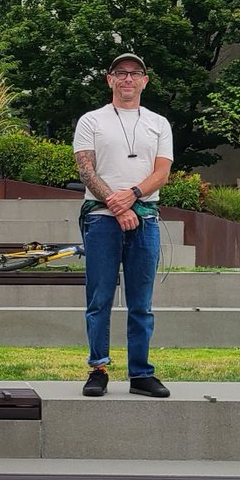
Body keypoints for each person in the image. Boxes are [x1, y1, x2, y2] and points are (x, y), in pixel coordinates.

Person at [73, 53, 173, 399]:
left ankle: (141, 373)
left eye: (134, 73)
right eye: (120, 72)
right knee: (99, 297)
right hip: (101, 219)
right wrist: (116, 206)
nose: (127, 78)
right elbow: (86, 170)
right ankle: (98, 368)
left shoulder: (159, 123)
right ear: (109, 79)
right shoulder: (91, 120)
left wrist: (132, 196)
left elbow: (162, 172)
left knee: (141, 302)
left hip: (145, 217)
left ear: (145, 81)